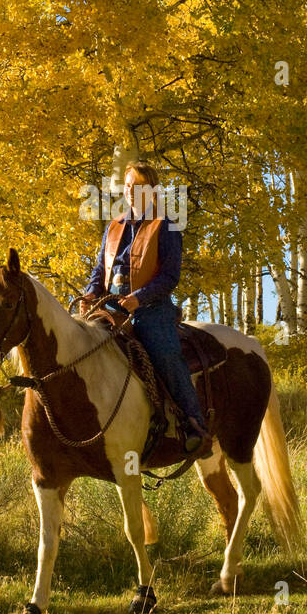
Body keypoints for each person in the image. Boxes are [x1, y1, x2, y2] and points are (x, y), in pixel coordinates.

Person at [82, 162, 211, 455]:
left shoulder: (166, 223)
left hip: (150, 310)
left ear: (152, 191)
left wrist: (139, 298)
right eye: (128, 186)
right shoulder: (113, 226)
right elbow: (101, 268)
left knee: (165, 354)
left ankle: (195, 425)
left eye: (138, 187)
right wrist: (91, 294)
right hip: (111, 308)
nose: (131, 192)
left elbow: (169, 276)